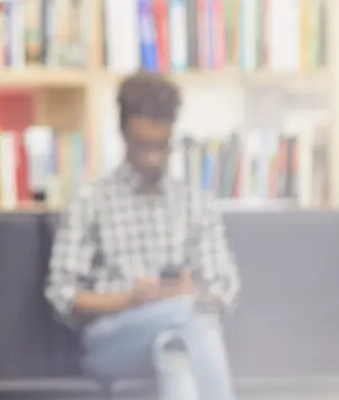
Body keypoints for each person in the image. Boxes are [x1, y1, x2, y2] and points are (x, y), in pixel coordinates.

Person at [45, 72, 240, 400]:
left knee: (174, 353)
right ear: (123, 133)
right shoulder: (89, 201)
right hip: (112, 342)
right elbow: (62, 295)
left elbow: (225, 287)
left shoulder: (194, 203)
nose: (152, 157)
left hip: (182, 329)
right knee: (190, 316)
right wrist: (131, 299)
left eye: (161, 146)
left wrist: (191, 291)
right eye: (142, 146)